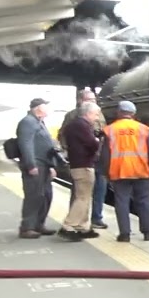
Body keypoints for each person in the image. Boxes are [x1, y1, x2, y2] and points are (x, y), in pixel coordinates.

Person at [100, 100, 149, 242]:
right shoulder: (143, 129)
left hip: (119, 172)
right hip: (141, 171)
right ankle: (148, 233)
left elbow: (105, 155)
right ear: (133, 114)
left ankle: (124, 234)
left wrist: (106, 173)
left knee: (122, 202)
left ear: (119, 113)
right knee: (144, 201)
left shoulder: (110, 130)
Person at [61, 88, 109, 229]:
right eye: (89, 100)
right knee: (80, 193)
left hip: (98, 158)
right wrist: (68, 152)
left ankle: (94, 219)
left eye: (94, 100)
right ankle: (74, 220)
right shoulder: (73, 116)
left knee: (99, 189)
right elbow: (64, 135)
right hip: (84, 159)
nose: (92, 102)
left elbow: (103, 131)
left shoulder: (99, 115)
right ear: (80, 101)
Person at [57, 102, 103, 241]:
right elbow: (92, 143)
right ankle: (68, 226)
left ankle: (83, 227)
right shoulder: (81, 126)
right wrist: (97, 140)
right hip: (83, 165)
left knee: (85, 196)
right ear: (88, 113)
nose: (96, 118)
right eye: (95, 115)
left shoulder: (76, 125)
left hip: (80, 164)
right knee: (82, 198)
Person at [16, 97, 60, 238]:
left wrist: (52, 166)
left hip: (45, 166)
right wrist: (30, 164)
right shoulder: (27, 122)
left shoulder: (39, 122)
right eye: (45, 106)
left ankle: (39, 224)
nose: (48, 109)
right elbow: (26, 145)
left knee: (46, 196)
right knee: (33, 196)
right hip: (36, 165)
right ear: (38, 108)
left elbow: (47, 145)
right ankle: (27, 227)